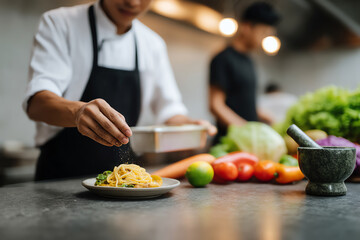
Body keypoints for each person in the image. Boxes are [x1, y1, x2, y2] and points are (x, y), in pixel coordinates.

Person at [23, 0, 216, 180]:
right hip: (60, 178)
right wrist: (78, 112)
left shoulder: (152, 44)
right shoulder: (60, 23)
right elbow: (37, 103)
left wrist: (191, 125)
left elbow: (169, 109)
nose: (132, 2)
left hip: (124, 181)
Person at [209, 2, 280, 143]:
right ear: (247, 27)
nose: (264, 39)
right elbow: (216, 105)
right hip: (229, 141)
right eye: (263, 32)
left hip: (248, 142)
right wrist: (246, 130)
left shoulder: (249, 61)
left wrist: (268, 117)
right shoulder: (223, 58)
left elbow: (245, 102)